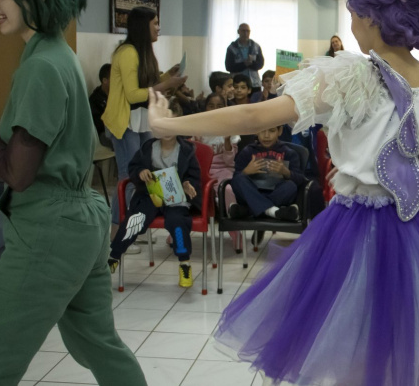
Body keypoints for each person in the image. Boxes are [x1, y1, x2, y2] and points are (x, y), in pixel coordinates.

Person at [144, 0, 419, 385]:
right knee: (408, 356)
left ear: (372, 15)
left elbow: (256, 115)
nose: (351, 22)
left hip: (364, 236)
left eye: (353, 10)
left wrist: (169, 124)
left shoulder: (351, 75)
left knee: (354, 355)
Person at [0, 0, 146, 385]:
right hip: (83, 221)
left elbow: (19, 172)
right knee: (96, 343)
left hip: (49, 232)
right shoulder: (57, 53)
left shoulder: (40, 67)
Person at [103, 6, 185, 226]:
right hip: (125, 122)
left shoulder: (144, 51)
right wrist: (167, 84)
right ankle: (118, 229)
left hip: (141, 120)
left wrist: (169, 75)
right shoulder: (127, 52)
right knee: (130, 177)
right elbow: (133, 95)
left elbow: (150, 82)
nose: (159, 28)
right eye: (155, 23)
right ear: (143, 26)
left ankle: (140, 222)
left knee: (150, 172)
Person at [108, 100, 201, 288]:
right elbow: (135, 167)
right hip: (149, 196)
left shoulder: (187, 151)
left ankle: (184, 263)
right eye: (162, 124)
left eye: (171, 124)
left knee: (177, 223)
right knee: (136, 220)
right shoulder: (148, 147)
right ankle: (114, 256)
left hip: (175, 200)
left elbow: (193, 175)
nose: (166, 130)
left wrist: (187, 184)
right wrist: (141, 173)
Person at [194, 93, 243, 251]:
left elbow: (230, 162)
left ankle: (235, 233)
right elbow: (194, 158)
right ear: (206, 108)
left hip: (223, 170)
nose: (215, 109)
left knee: (227, 190)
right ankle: (178, 230)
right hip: (202, 170)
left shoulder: (231, 128)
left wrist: (227, 141)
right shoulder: (198, 127)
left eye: (219, 106)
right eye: (211, 106)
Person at [228, 125, 304, 221]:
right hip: (252, 191)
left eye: (271, 131)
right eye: (262, 131)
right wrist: (246, 171)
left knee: (291, 186)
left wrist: (286, 172)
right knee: (239, 179)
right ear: (256, 131)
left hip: (276, 193)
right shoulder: (248, 151)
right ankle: (273, 211)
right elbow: (235, 179)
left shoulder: (289, 153)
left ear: (279, 131)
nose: (266, 136)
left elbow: (300, 180)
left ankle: (249, 210)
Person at [225, 23, 265, 90]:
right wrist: (244, 64)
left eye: (248, 31)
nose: (246, 33)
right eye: (243, 31)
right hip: (237, 84)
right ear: (238, 31)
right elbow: (228, 67)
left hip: (254, 84)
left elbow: (260, 64)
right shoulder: (231, 48)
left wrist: (251, 63)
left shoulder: (256, 46)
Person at [89, 63, 111, 138]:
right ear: (105, 80)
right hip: (104, 133)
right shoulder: (95, 100)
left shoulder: (119, 94)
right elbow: (99, 125)